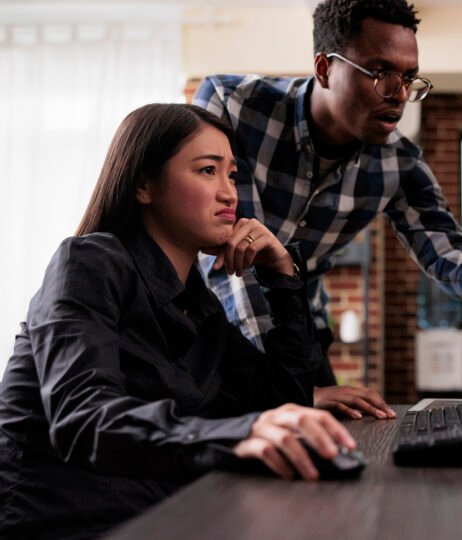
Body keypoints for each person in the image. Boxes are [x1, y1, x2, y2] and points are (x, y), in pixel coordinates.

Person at [193, 0, 462, 417]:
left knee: (338, 451)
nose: (400, 95)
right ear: (324, 68)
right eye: (381, 74)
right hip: (212, 326)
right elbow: (232, 254)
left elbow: (447, 256)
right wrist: (288, 390)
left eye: (408, 78)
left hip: (299, 329)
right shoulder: (233, 105)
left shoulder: (399, 163)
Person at [0, 104, 358, 539]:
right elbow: (83, 419)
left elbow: (283, 397)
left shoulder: (198, 305)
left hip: (161, 516)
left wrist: (282, 275)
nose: (229, 194)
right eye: (208, 171)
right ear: (143, 185)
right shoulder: (88, 264)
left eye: (232, 175)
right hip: (64, 526)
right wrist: (240, 435)